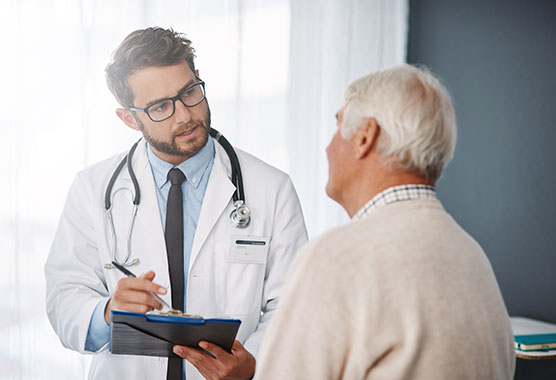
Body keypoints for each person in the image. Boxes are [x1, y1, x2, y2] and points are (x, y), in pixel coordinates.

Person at [44, 27, 307, 380]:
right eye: (160, 107)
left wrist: (253, 363)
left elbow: (292, 305)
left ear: (199, 79)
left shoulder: (272, 188)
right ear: (129, 118)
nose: (184, 115)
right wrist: (107, 314)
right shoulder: (93, 189)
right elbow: (65, 296)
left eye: (189, 93)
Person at [255, 64, 515, 379]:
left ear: (366, 136)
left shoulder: (335, 258)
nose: (328, 147)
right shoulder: (472, 256)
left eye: (338, 126)